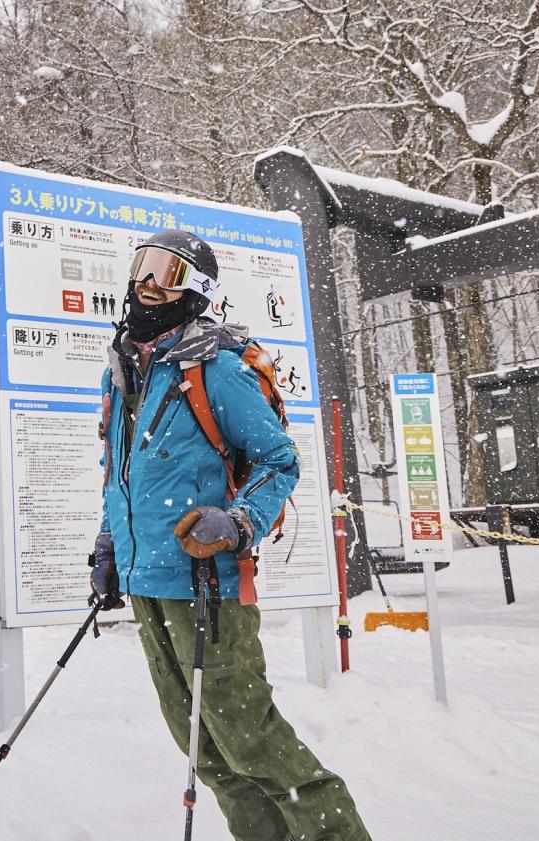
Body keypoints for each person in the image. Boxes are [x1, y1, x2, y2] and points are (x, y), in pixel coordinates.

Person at [90, 229, 371, 841]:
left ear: (196, 291)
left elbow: (279, 460)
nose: (149, 283)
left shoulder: (214, 368)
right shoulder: (122, 373)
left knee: (251, 741)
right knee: (205, 750)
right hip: (148, 584)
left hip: (205, 586)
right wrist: (110, 545)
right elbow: (121, 473)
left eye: (169, 273)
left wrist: (239, 522)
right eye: (144, 266)